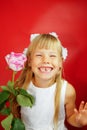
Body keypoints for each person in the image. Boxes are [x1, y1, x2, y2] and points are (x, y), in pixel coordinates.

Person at [14, 32, 87, 130]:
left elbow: (70, 117)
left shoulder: (67, 91)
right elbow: (16, 115)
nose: (46, 60)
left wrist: (79, 121)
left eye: (52, 56)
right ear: (30, 61)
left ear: (61, 62)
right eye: (39, 55)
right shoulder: (21, 86)